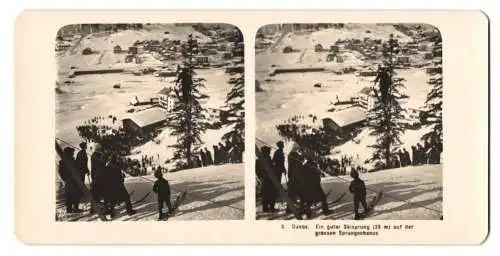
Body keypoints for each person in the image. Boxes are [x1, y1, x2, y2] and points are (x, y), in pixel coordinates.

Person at [58, 147, 83, 213]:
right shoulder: (64, 162)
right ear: (69, 153)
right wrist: (66, 179)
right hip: (70, 181)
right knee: (70, 195)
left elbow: (77, 168)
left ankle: (75, 208)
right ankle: (69, 209)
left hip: (75, 180)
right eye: (72, 152)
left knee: (76, 194)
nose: (73, 153)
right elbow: (61, 172)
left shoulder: (71, 160)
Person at [256, 146, 279, 212]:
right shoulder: (262, 160)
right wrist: (261, 178)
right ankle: (267, 208)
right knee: (269, 194)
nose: (269, 153)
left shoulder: (262, 159)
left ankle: (268, 208)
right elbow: (257, 171)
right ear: (265, 152)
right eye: (268, 151)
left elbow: (257, 171)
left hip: (268, 179)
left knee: (269, 194)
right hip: (267, 179)